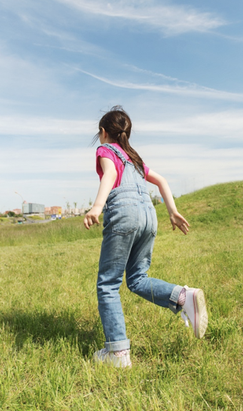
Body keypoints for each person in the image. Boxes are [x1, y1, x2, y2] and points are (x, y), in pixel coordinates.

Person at [84, 106, 208, 368]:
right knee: (137, 279)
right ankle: (183, 297)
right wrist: (172, 212)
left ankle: (117, 354)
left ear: (104, 132)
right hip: (148, 215)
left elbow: (110, 174)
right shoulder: (134, 158)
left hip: (124, 213)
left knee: (108, 284)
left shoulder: (105, 150)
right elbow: (161, 181)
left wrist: (97, 206)